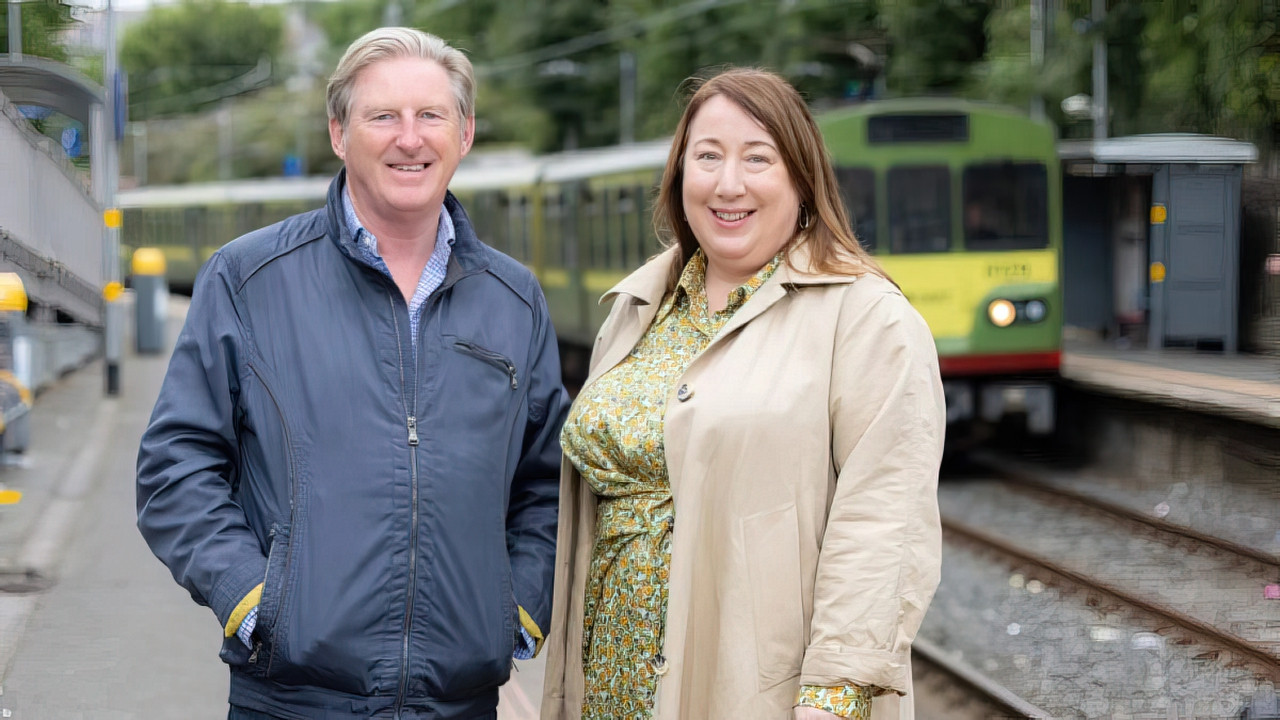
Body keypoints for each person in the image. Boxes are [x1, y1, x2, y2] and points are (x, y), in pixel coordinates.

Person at [136, 27, 569, 720]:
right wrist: (256, 600)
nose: (410, 138)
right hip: (292, 699)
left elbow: (547, 483)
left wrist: (517, 609)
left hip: (460, 704)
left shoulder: (514, 301)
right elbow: (174, 466)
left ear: (465, 135)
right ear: (339, 134)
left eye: (432, 115)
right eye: (382, 116)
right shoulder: (250, 280)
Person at [540, 68, 945, 720]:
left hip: (755, 693)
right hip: (612, 688)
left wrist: (834, 698)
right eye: (707, 157)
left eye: (758, 159)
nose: (729, 184)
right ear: (680, 176)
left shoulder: (867, 319)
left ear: (802, 180)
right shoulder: (639, 308)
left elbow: (885, 524)